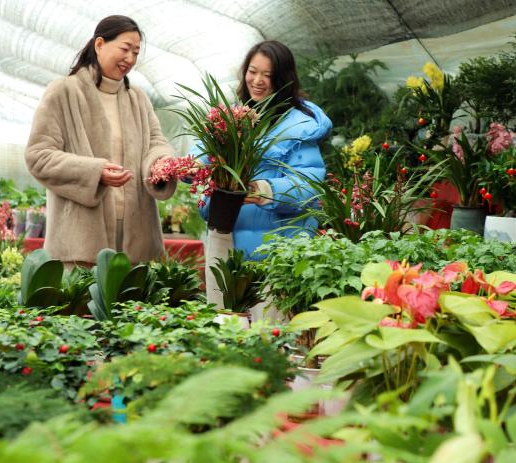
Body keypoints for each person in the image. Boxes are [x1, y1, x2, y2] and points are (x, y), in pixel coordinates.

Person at [25, 15, 176, 266]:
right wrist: (94, 172)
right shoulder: (64, 92)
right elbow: (39, 155)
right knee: (83, 304)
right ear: (99, 45)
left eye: (136, 52)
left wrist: (161, 163)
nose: (130, 59)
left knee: (134, 304)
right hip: (80, 240)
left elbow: (156, 143)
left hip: (137, 238)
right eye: (125, 49)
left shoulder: (138, 99)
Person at [197, 40, 332, 308]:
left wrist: (264, 190)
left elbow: (308, 187)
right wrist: (190, 167)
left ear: (283, 79)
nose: (257, 80)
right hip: (225, 237)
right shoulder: (232, 117)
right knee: (223, 328)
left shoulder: (299, 126)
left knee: (268, 333)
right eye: (252, 71)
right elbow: (201, 156)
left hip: (276, 246)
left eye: (267, 75)